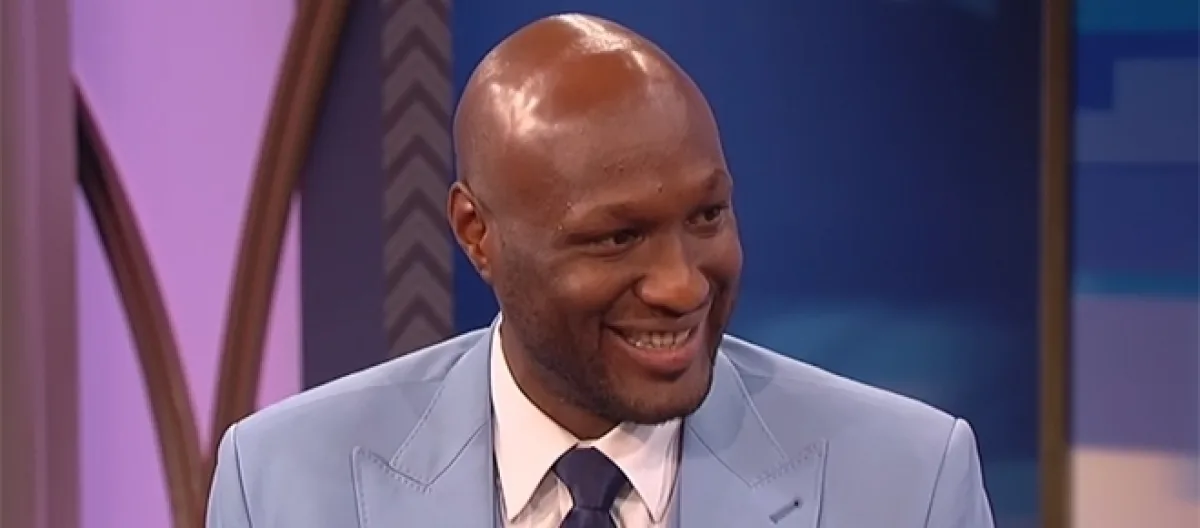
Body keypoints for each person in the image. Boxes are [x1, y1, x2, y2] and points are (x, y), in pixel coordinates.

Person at [207, 13, 994, 528]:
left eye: (707, 217)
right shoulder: (283, 481)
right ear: (477, 234)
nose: (682, 285)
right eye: (618, 238)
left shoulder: (909, 481)